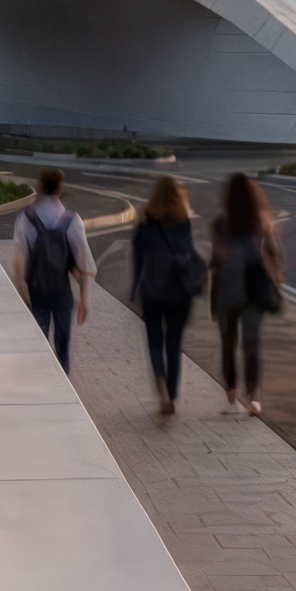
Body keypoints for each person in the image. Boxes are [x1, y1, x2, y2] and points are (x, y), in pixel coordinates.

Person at [209, 173, 283, 417]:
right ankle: (254, 397)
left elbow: (216, 259)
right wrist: (275, 278)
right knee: (252, 345)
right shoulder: (260, 220)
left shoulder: (221, 221)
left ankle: (231, 386)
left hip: (228, 290)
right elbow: (273, 253)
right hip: (253, 291)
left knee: (228, 342)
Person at [131, 177, 205, 418]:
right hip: (178, 292)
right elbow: (187, 253)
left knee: (154, 341)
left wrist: (134, 290)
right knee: (174, 343)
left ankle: (162, 389)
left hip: (152, 290)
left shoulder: (144, 226)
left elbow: (138, 261)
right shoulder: (183, 222)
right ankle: (172, 396)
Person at [12, 168, 93, 371]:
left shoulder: (25, 217)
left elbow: (18, 261)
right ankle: (64, 380)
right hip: (61, 292)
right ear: (59, 188)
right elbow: (85, 265)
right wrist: (84, 299)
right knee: (62, 346)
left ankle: (40, 386)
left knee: (39, 345)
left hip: (37, 290)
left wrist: (21, 292)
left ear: (39, 188)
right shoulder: (72, 220)